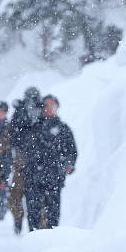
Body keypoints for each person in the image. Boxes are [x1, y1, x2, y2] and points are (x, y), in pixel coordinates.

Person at [22, 95, 77, 230]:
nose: (49, 108)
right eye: (45, 105)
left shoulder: (63, 129)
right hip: (33, 179)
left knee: (53, 217)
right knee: (33, 216)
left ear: (57, 108)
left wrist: (67, 165)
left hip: (54, 180)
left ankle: (51, 247)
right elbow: (20, 142)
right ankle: (34, 245)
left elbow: (72, 151)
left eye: (52, 105)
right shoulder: (32, 127)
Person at [8, 87, 43, 234]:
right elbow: (13, 134)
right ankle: (24, 220)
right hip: (24, 158)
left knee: (27, 194)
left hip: (31, 158)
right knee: (20, 193)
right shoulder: (21, 112)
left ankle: (31, 222)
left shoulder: (39, 112)